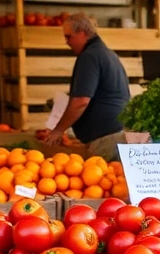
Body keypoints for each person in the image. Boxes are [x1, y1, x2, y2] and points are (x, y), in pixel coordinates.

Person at [43, 14, 130, 161]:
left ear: (82, 34)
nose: (67, 42)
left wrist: (58, 131)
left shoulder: (89, 56)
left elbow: (81, 101)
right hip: (119, 134)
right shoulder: (108, 54)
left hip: (106, 140)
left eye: (69, 37)